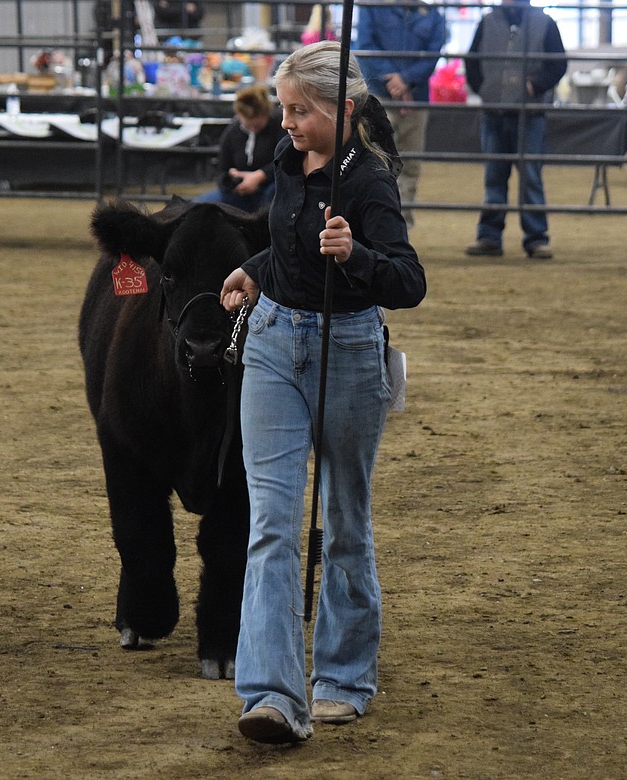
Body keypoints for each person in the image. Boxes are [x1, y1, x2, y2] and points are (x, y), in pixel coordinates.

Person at [219, 40, 426, 744]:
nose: (287, 124)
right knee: (271, 523)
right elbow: (288, 239)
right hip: (274, 343)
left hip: (349, 350)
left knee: (343, 518)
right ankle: (272, 694)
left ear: (343, 108)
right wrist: (256, 269)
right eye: (283, 110)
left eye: (300, 111)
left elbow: (408, 281)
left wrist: (356, 256)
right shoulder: (287, 161)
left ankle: (341, 677)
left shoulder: (368, 182)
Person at [463, 0, 566, 260]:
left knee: (530, 177)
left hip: (529, 114)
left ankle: (536, 238)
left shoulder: (545, 22)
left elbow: (558, 63)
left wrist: (537, 85)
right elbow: (471, 60)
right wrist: (484, 89)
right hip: (494, 112)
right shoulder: (487, 22)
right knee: (494, 176)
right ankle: (490, 236)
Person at [357, 1, 446, 230]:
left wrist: (404, 79)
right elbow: (366, 45)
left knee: (411, 162)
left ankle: (401, 221)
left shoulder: (432, 14)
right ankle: (378, 218)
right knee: (377, 158)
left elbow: (434, 52)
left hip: (412, 96)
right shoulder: (372, 7)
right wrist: (397, 78)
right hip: (381, 96)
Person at [192, 85, 280, 212]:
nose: (253, 129)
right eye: (248, 125)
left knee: (272, 199)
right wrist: (230, 180)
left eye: (257, 124)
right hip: (240, 193)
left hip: (271, 188)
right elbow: (222, 170)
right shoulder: (232, 133)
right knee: (197, 207)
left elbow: (286, 161)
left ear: (266, 114)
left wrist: (260, 176)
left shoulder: (279, 126)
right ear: (239, 116)